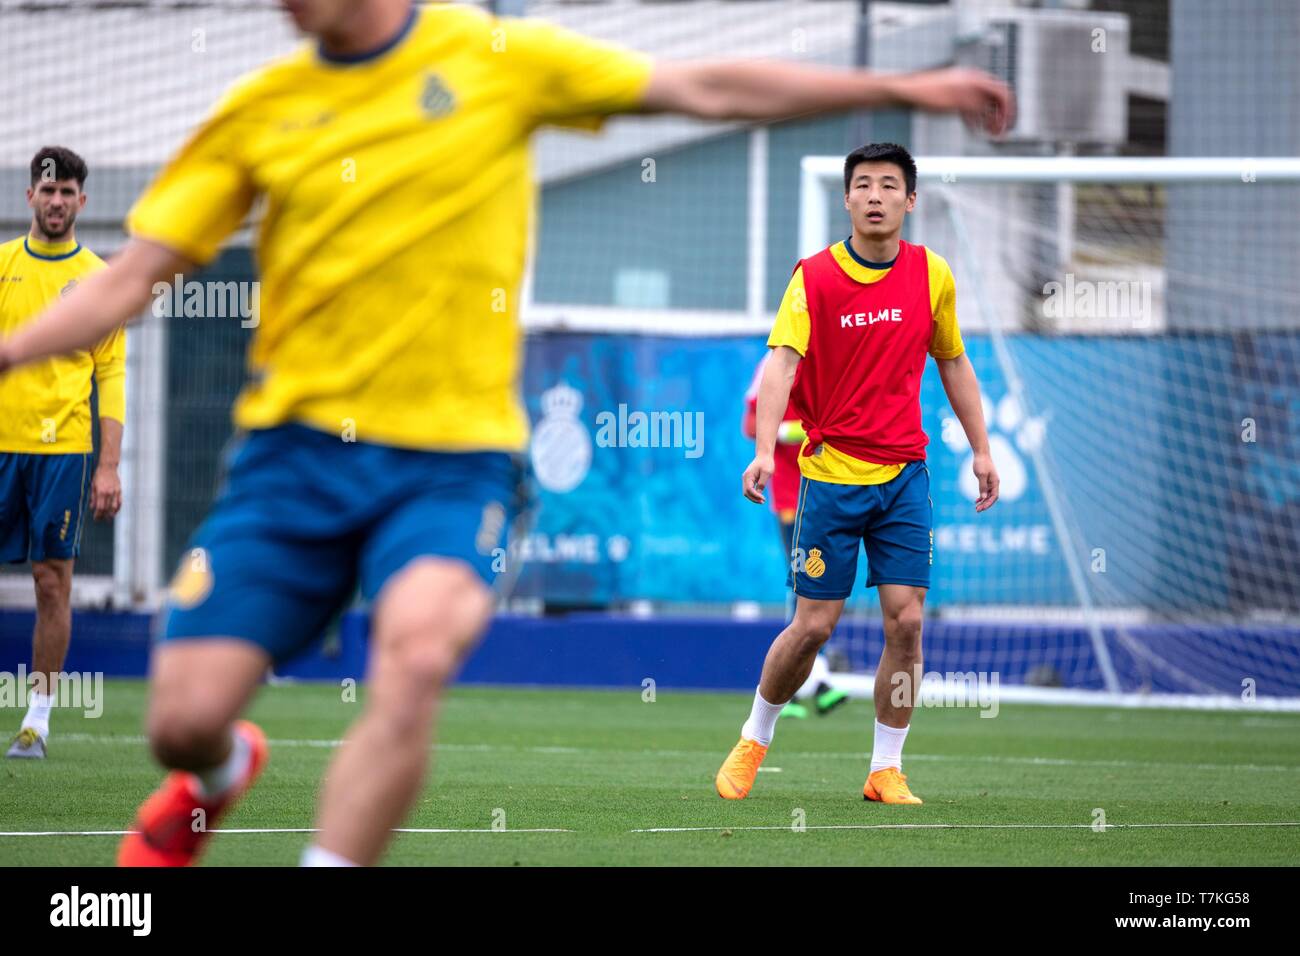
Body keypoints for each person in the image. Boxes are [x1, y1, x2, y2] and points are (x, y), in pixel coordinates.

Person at [0, 0, 1011, 865]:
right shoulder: (259, 112)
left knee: (414, 655)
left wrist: (905, 87)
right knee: (180, 717)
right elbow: (128, 280)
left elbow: (703, 89)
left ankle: (881, 761)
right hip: (292, 456)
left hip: (452, 460)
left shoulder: (492, 58)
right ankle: (222, 765)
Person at [717, 143, 1000, 804]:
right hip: (832, 477)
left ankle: (885, 768)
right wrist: (764, 451)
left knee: (907, 624)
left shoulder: (933, 275)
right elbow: (782, 364)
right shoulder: (813, 277)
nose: (875, 195)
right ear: (846, 200)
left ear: (910, 200)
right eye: (864, 185)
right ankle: (755, 737)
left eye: (889, 185)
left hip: (905, 477)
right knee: (815, 626)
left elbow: (953, 362)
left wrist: (983, 449)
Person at [2, 146, 125, 760]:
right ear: (29, 197)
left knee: (52, 584)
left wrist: (108, 464)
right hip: (1, 449)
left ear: (82, 200)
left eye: (66, 192)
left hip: (64, 456)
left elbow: (114, 373)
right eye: (46, 191)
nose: (55, 201)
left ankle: (37, 720)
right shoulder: (1, 266)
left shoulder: (102, 281)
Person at [742, 351, 846, 719]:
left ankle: (811, 682)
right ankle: (803, 685)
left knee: (821, 588)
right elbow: (751, 423)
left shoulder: (839, 357)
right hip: (793, 496)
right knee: (803, 588)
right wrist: (801, 431)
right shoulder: (776, 363)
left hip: (839, 493)